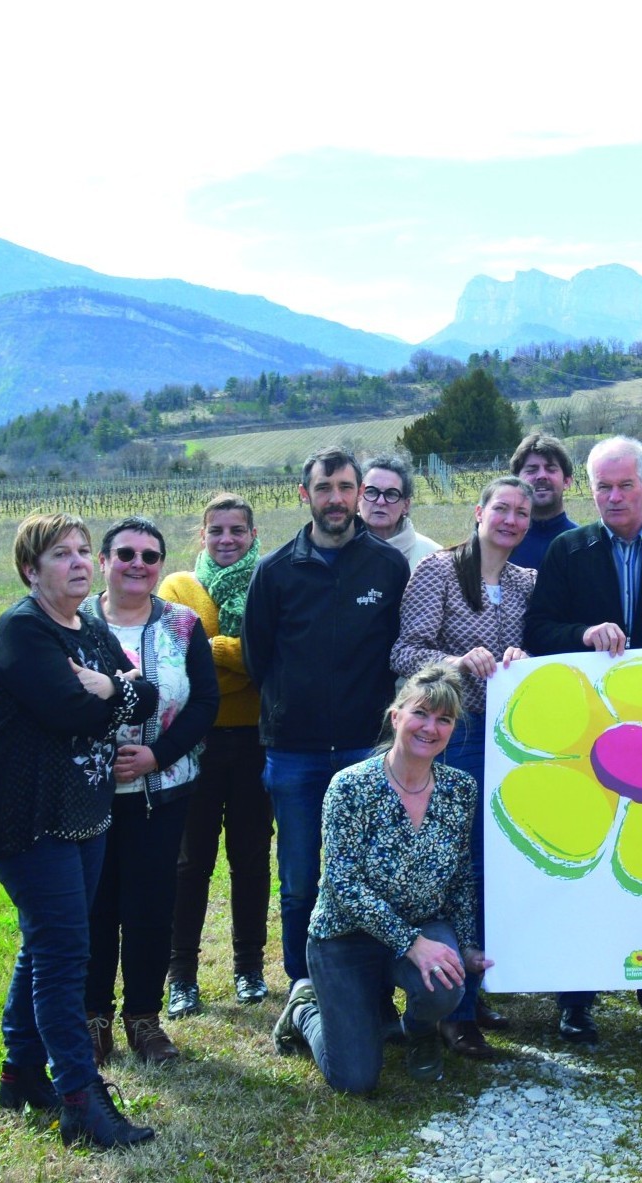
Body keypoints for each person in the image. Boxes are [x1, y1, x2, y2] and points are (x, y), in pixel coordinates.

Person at [522, 435, 642, 1045]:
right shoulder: (566, 551)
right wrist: (583, 634)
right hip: (588, 738)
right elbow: (539, 631)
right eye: (602, 486)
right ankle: (575, 1000)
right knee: (587, 871)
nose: (612, 496)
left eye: (624, 485)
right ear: (590, 489)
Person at [0, 513, 159, 1148]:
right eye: (62, 554)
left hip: (87, 813)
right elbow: (68, 710)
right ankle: (79, 1098)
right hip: (31, 821)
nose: (81, 562)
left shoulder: (90, 629)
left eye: (85, 551)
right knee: (64, 955)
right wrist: (115, 690)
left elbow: (150, 694)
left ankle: (21, 1072)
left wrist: (110, 684)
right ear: (31, 569)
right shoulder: (22, 632)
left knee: (46, 944)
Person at [243, 446, 412, 995]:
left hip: (367, 750)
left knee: (369, 875)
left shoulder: (388, 566)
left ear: (360, 493)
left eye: (345, 487)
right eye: (324, 488)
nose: (335, 499)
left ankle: (367, 986)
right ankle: (304, 986)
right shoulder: (274, 572)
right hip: (295, 752)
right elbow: (256, 657)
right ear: (304, 495)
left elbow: (396, 650)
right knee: (299, 879)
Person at [273, 666, 489, 1093]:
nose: (431, 727)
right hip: (346, 935)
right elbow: (343, 882)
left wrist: (463, 945)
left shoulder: (460, 790)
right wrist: (412, 944)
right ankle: (303, 1010)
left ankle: (418, 1028)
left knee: (448, 982)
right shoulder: (349, 786)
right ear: (396, 717)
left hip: (425, 925)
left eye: (444, 719)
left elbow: (462, 877)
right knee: (354, 1079)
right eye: (421, 714)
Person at [392, 474, 537, 1059]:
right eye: (500, 508)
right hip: (453, 736)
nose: (510, 520)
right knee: (457, 865)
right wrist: (456, 660)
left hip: (510, 740)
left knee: (495, 863)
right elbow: (403, 652)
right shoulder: (439, 572)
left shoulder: (528, 582)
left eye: (521, 512)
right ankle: (454, 1008)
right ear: (478, 512)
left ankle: (474, 989)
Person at [82, 517, 219, 1066]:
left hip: (163, 793)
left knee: (150, 905)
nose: (137, 564)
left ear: (161, 565)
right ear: (103, 562)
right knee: (94, 907)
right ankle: (93, 1019)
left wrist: (157, 755)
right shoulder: (74, 623)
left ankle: (144, 1018)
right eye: (125, 554)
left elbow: (205, 704)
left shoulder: (184, 626)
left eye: (149, 556)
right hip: (88, 796)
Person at [160, 493, 275, 1018]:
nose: (227, 539)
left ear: (254, 535)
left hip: (255, 739)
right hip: (196, 742)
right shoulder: (178, 587)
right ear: (201, 535)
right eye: (217, 530)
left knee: (251, 859)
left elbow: (266, 659)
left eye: (237, 530)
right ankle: (181, 975)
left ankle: (249, 968)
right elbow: (177, 666)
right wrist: (235, 659)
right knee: (188, 862)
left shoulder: (269, 581)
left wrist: (212, 653)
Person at [507, 432, 580, 570]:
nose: (541, 476)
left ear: (567, 481)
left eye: (551, 469)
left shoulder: (583, 546)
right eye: (531, 470)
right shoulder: (502, 545)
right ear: (516, 481)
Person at [359, 453, 443, 570]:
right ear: (358, 497)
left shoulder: (434, 558)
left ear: (406, 505)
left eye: (391, 494)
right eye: (371, 491)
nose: (381, 501)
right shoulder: (337, 549)